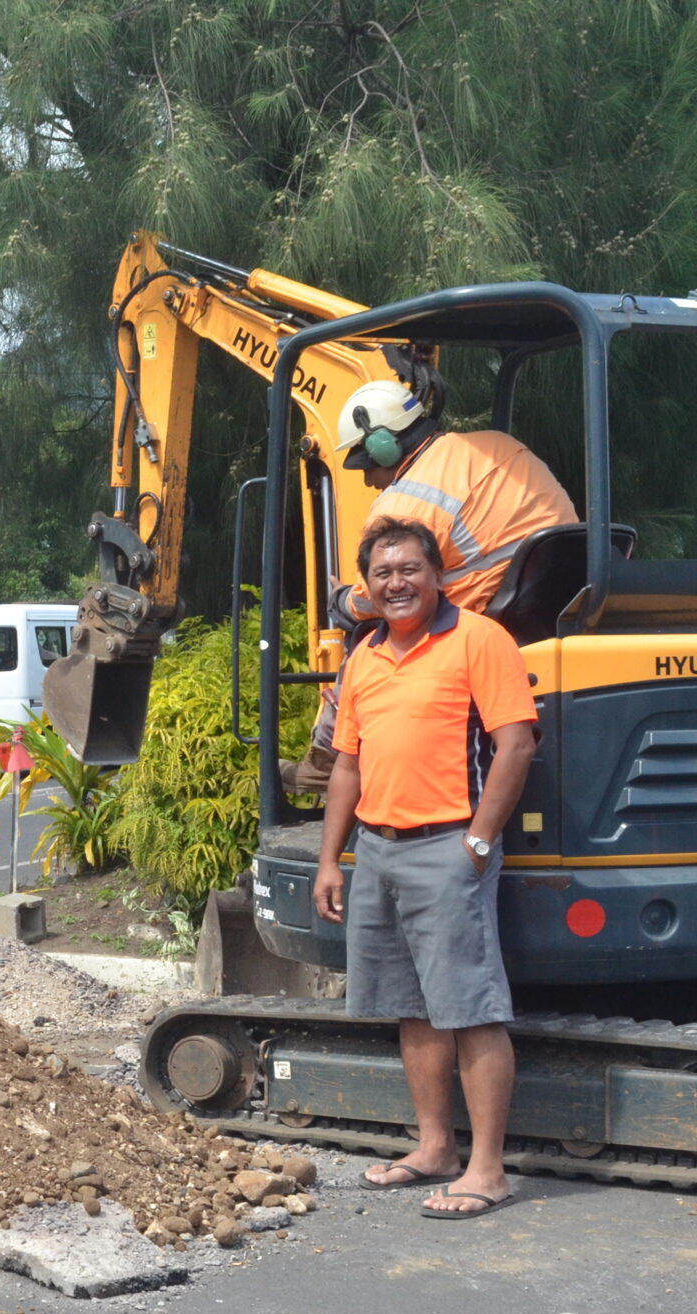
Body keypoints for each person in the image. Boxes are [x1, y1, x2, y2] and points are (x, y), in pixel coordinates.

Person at [310, 518, 538, 1219]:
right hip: (377, 849)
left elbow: (516, 745)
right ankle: (435, 1148)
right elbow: (348, 765)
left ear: (437, 574)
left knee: (469, 1008)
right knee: (411, 1010)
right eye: (382, 573)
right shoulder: (364, 659)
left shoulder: (478, 639)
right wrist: (331, 859)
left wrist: (477, 841)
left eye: (409, 569)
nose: (396, 583)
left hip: (448, 848)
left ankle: (487, 1170)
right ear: (367, 587)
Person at [286, 377, 575, 792]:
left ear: (385, 445)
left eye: (367, 464)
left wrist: (340, 599)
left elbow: (376, 600)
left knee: (371, 636)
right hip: (551, 605)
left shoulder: (403, 505)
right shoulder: (497, 445)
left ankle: (327, 762)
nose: (368, 480)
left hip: (489, 615)